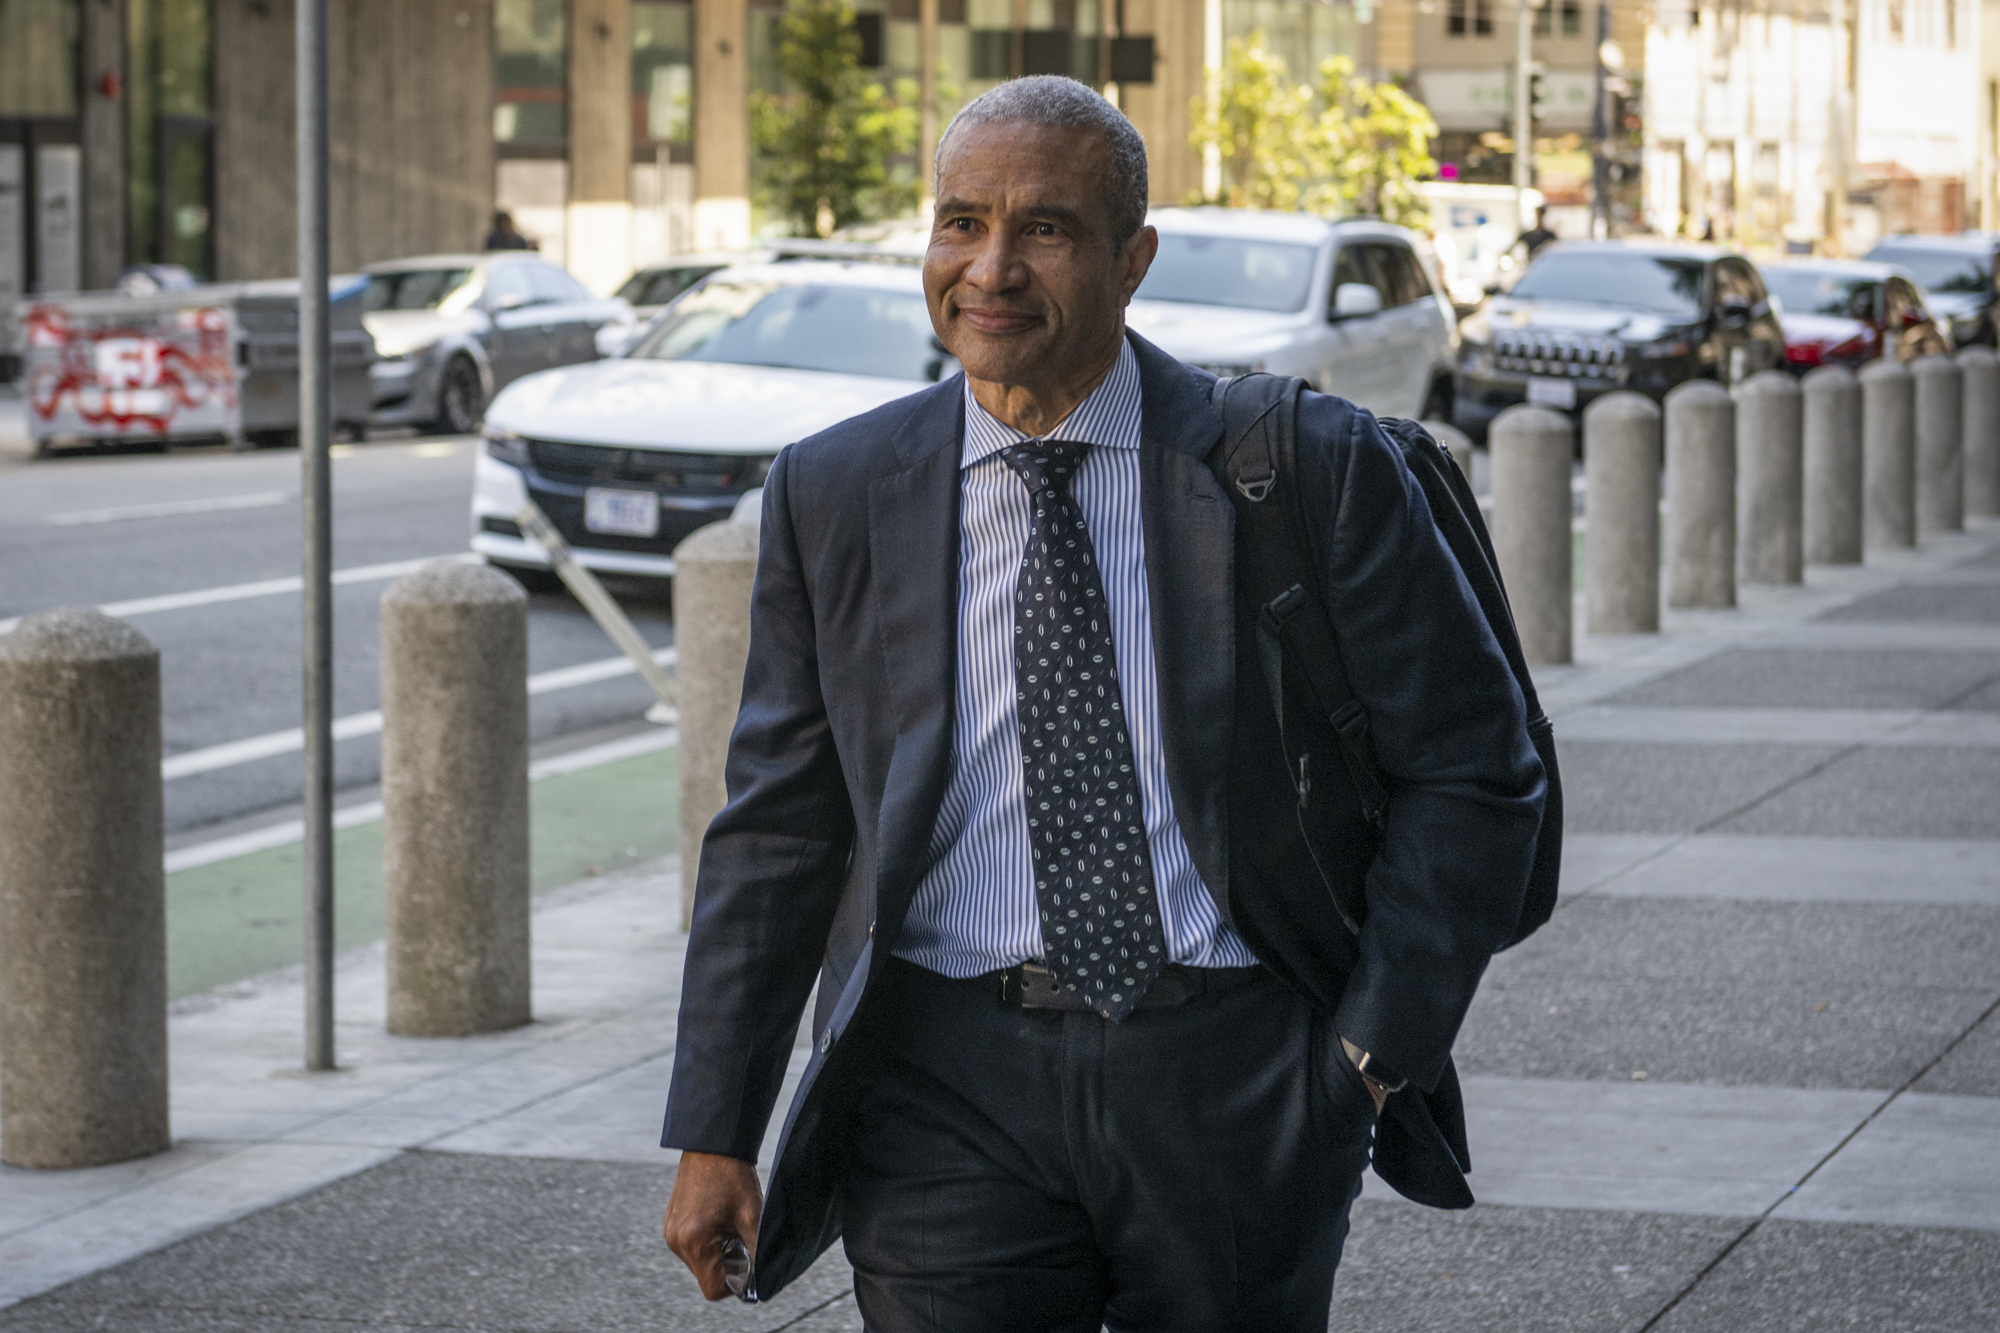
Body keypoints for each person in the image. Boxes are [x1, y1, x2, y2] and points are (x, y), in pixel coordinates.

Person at [660, 75, 1545, 1330]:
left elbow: (1473, 772)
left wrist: (1361, 1060)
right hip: (938, 1082)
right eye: (960, 222)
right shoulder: (838, 488)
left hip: (1234, 1073)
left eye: (1047, 229)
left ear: (1132, 259)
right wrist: (716, 1125)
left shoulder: (1305, 466)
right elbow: (780, 827)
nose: (991, 268)